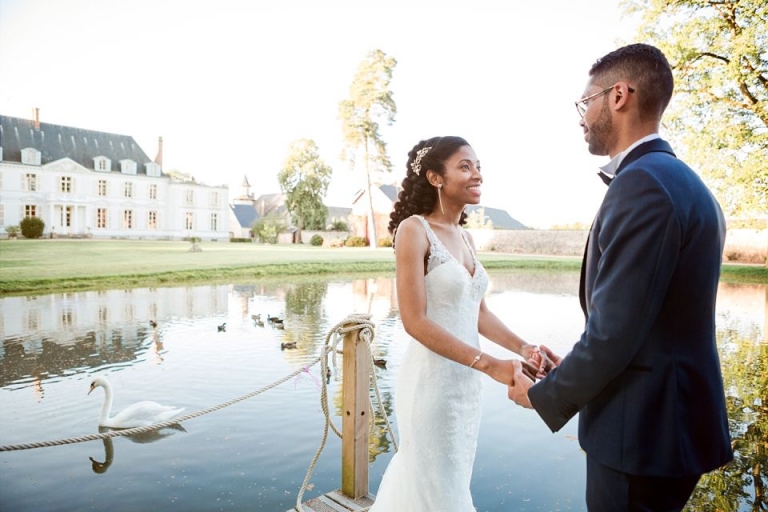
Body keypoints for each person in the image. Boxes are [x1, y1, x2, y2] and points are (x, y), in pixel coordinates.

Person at [507, 43, 733, 511]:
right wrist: (570, 366)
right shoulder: (685, 183)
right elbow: (651, 322)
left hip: (642, 434)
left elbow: (612, 335)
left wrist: (543, 394)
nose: (581, 115)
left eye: (585, 101)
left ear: (619, 95)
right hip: (668, 428)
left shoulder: (643, 184)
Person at [369, 136, 541, 511]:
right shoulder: (414, 230)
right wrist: (490, 364)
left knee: (451, 482)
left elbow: (477, 312)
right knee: (437, 489)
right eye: (465, 166)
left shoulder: (466, 236)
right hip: (431, 385)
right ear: (435, 177)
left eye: (478, 166)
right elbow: (414, 321)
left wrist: (524, 348)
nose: (477, 174)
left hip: (465, 386)